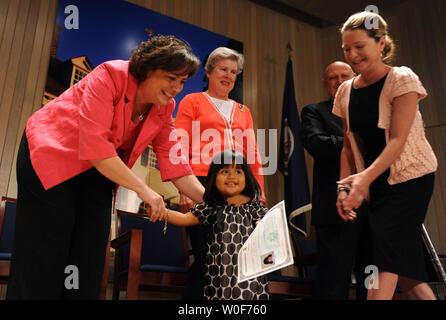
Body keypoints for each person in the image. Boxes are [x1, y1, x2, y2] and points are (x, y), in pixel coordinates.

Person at [7, 35, 205, 299]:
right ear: (147, 68)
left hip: (100, 169)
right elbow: (97, 149)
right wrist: (145, 191)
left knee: (89, 253)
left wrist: (215, 200)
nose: (176, 88)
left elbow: (175, 161)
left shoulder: (164, 107)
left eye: (182, 82)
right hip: (51, 155)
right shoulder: (110, 75)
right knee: (45, 249)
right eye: (171, 78)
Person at [333, 11, 438, 300]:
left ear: (381, 44)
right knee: (404, 266)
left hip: (410, 178)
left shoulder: (402, 79)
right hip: (376, 182)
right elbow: (347, 145)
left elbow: (397, 141)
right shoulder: (345, 91)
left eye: (359, 46)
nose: (352, 54)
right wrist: (345, 188)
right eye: (346, 48)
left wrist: (363, 181)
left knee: (385, 253)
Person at [174, 47, 265, 299]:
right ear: (209, 71)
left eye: (234, 72)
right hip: (201, 182)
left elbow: (253, 154)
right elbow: (179, 145)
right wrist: (184, 188)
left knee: (234, 260)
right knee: (207, 255)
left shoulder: (244, 111)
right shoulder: (192, 101)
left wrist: (259, 196)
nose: (228, 75)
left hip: (239, 189)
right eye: (223, 69)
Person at [147, 150, 269, 300]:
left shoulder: (255, 208)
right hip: (218, 274)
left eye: (238, 171)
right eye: (225, 171)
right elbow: (185, 218)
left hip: (249, 274)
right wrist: (163, 212)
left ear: (247, 178)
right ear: (214, 178)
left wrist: (264, 228)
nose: (232, 176)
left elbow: (270, 231)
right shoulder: (211, 207)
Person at [300, 61, 370, 300]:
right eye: (333, 78)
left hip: (372, 207)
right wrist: (357, 143)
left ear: (355, 78)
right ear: (325, 83)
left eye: (344, 76)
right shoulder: (313, 111)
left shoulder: (370, 110)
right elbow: (317, 145)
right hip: (334, 209)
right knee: (333, 280)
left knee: (372, 276)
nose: (339, 81)